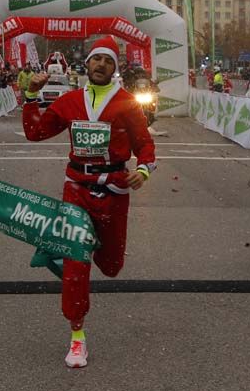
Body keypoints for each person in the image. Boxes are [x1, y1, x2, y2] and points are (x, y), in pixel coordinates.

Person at [22, 36, 156, 368]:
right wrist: (30, 95)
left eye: (108, 61)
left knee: (110, 267)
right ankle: (77, 337)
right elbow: (35, 132)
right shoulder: (69, 101)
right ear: (88, 63)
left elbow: (145, 145)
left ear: (115, 68)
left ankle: (80, 245)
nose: (101, 65)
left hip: (113, 189)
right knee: (77, 261)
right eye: (96, 59)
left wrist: (143, 170)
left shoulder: (126, 103)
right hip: (77, 189)